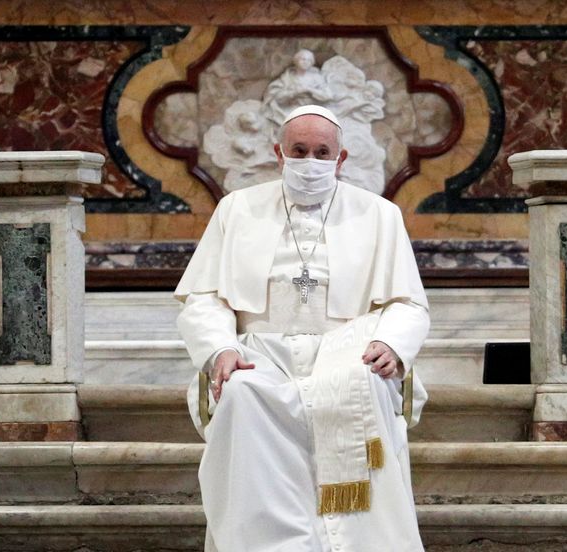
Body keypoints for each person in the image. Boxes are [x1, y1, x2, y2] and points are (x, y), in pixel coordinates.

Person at [175, 104, 430, 552]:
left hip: (348, 351)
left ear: (341, 158)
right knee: (239, 393)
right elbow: (205, 297)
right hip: (261, 353)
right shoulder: (237, 210)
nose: (310, 161)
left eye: (321, 151)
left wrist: (390, 343)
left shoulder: (379, 214)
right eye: (299, 150)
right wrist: (220, 350)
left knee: (368, 384)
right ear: (279, 152)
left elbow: (407, 302)